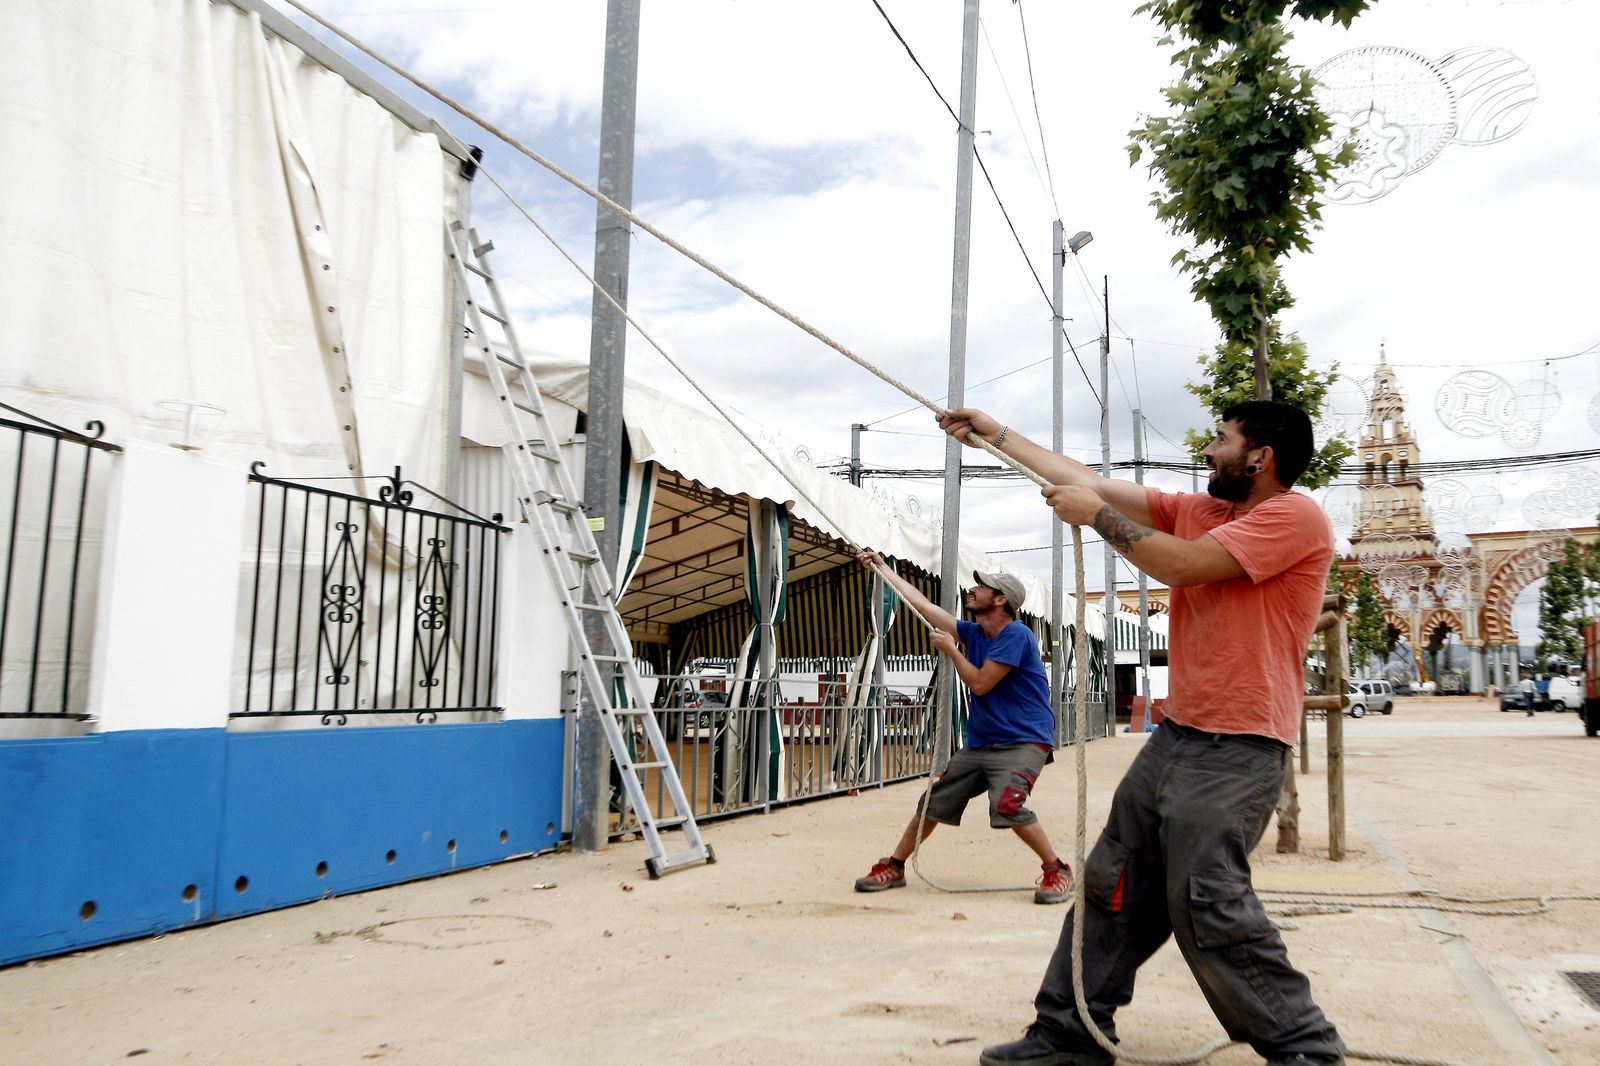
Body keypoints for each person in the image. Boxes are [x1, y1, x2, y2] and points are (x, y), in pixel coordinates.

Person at [937, 402, 1346, 1066]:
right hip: (1179, 737)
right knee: (1111, 881)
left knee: (1206, 901)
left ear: (1260, 457)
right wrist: (996, 435)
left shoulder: (1293, 518)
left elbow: (1180, 566)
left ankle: (1306, 1048)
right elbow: (1086, 480)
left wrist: (1095, 517)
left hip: (1241, 748)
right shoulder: (1203, 509)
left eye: (1222, 439)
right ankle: (1070, 1031)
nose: (1210, 451)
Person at [851, 551, 1073, 905]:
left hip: (1024, 740)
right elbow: (923, 605)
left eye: (981, 587)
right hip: (984, 741)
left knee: (1007, 803)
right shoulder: (975, 631)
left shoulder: (1016, 636)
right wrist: (882, 569)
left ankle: (1057, 870)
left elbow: (982, 684)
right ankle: (894, 866)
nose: (972, 589)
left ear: (1000, 600)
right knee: (933, 803)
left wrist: (953, 652)